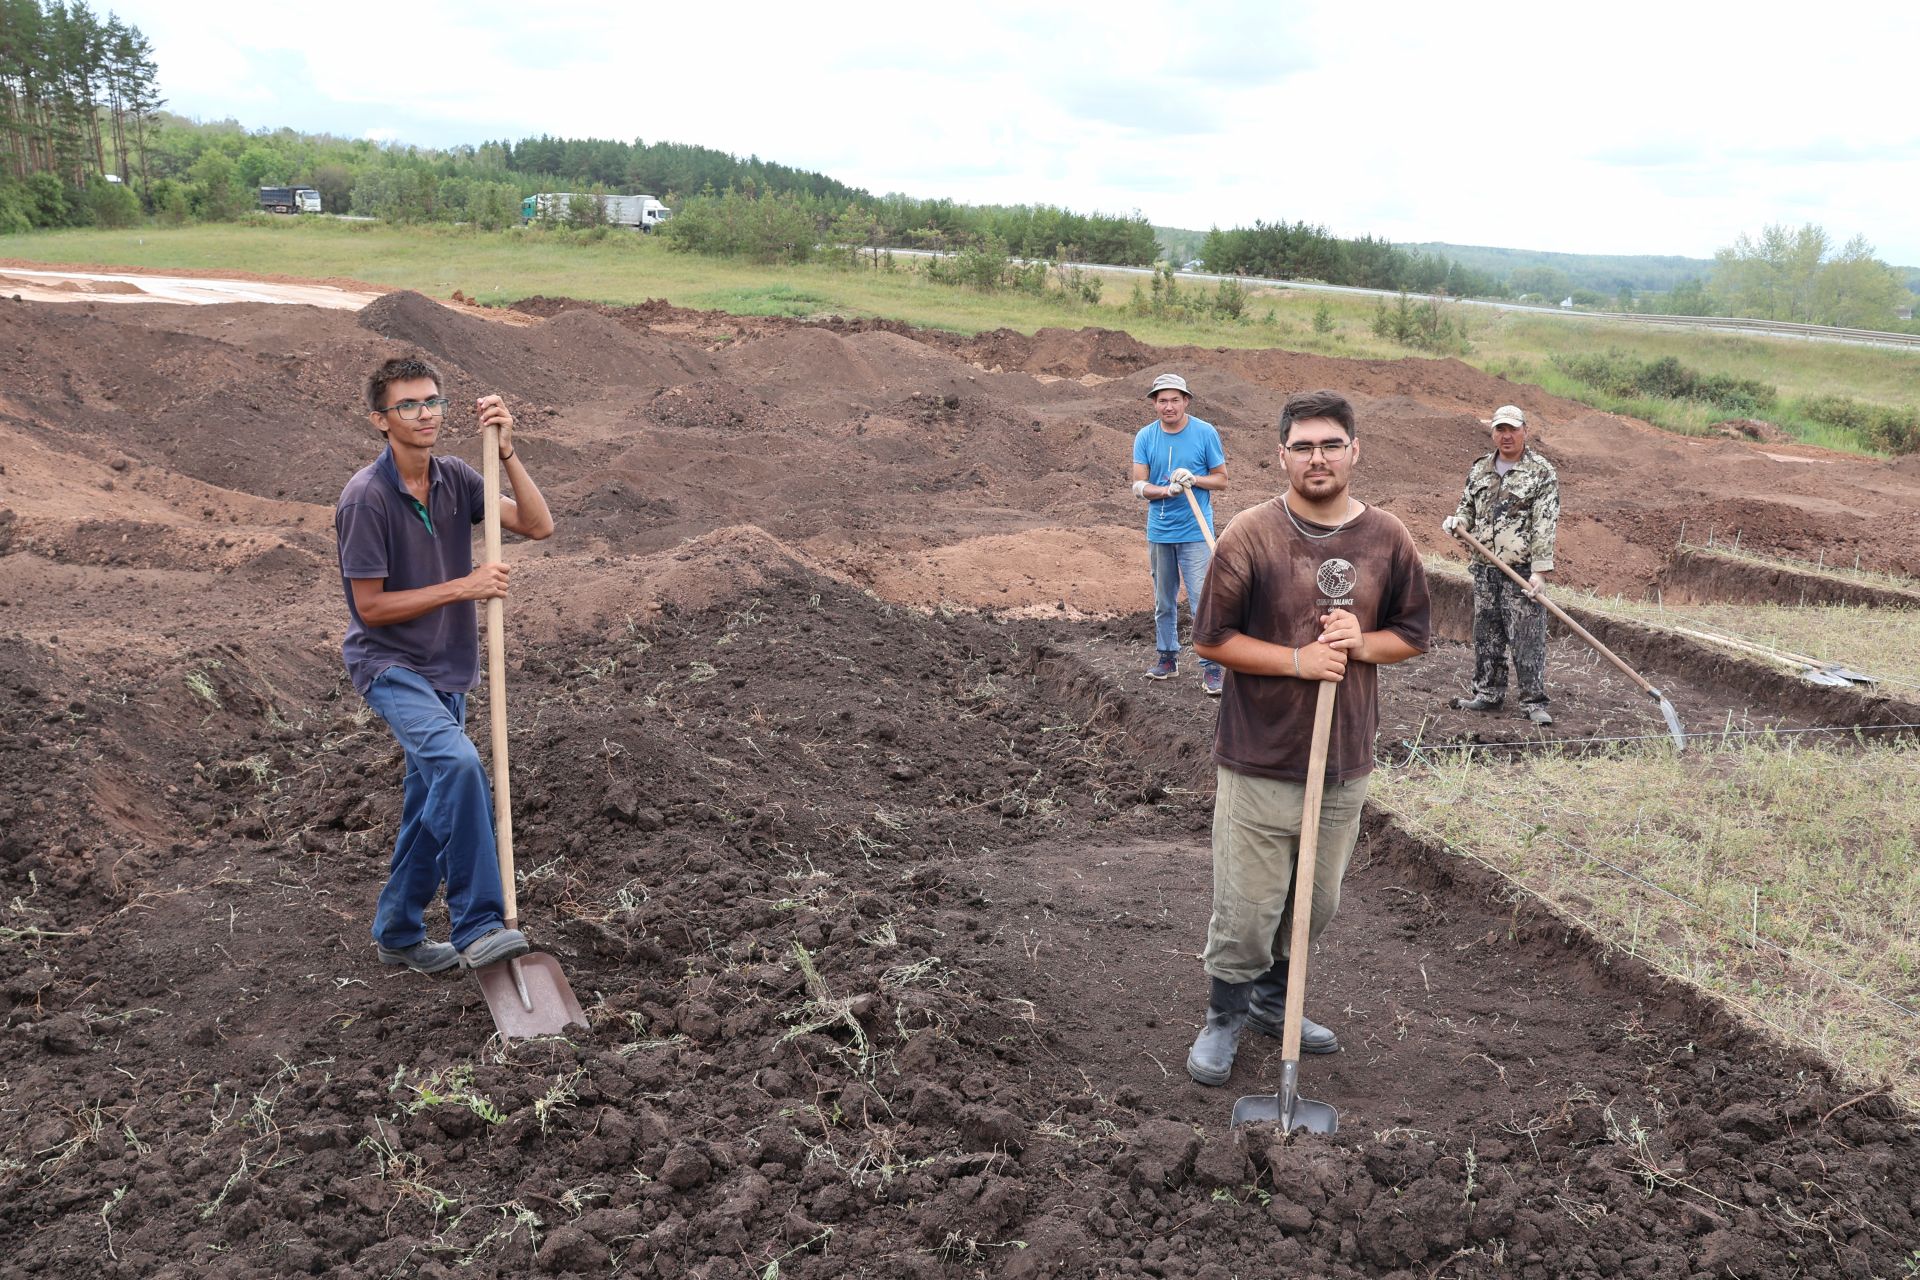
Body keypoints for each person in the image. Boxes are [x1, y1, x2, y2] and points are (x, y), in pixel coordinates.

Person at [1185, 389, 1430, 1086]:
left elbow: (1412, 636)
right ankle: (1224, 1016)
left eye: (1330, 444)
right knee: (1248, 907)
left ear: (1355, 450)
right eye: (1303, 447)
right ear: (1281, 456)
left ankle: (1274, 1002)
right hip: (1261, 754)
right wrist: (1296, 660)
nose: (1316, 458)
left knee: (1313, 904)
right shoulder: (1252, 535)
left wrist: (1363, 640)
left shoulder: (1389, 538)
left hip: (1344, 761)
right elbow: (1212, 639)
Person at [335, 355, 556, 975]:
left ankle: (399, 933)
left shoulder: (460, 477)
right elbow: (371, 608)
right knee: (458, 765)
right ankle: (479, 923)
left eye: (432, 401)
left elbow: (538, 525)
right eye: (408, 405)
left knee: (430, 807)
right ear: (381, 419)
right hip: (391, 666)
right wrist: (464, 587)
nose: (424, 413)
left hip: (447, 669)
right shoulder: (366, 499)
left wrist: (508, 452)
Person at [1442, 404, 1560, 726]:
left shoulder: (1541, 472)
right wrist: (1458, 522)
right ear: (1493, 432)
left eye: (1512, 429)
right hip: (1484, 568)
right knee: (1487, 634)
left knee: (1526, 637)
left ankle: (1533, 702)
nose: (1506, 436)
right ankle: (1487, 694)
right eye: (1500, 430)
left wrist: (1539, 572)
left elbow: (1544, 524)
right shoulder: (1480, 468)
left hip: (1520, 571)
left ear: (1525, 430)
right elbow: (1467, 506)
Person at [1131, 372, 1229, 695]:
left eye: (1175, 400)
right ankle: (1167, 658)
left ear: (1186, 401)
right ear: (1154, 404)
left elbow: (1221, 479)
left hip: (1195, 531)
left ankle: (1212, 667)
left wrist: (1194, 479)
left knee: (1203, 600)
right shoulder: (1145, 437)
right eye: (1162, 401)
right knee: (1164, 599)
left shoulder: (1204, 433)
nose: (1168, 406)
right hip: (1160, 531)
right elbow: (1138, 485)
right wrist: (1165, 491)